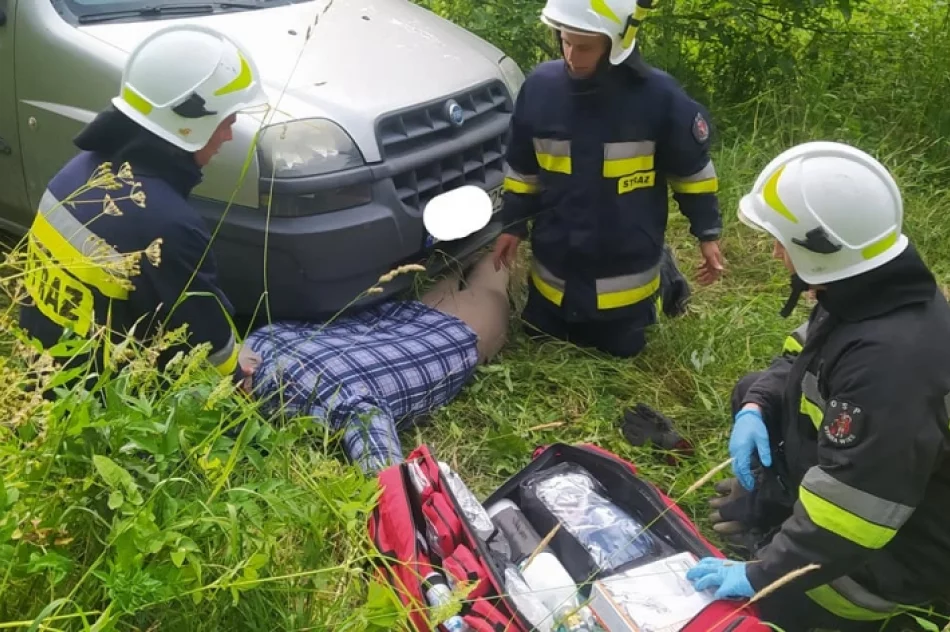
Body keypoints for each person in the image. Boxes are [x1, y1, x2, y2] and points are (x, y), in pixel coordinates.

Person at [685, 141, 950, 631]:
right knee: (754, 388)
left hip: (888, 561)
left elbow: (855, 512)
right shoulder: (867, 288)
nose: (775, 252)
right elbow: (799, 355)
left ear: (821, 248)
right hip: (869, 494)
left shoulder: (893, 366)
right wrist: (757, 405)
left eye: (781, 241)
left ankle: (790, 553)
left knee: (766, 611)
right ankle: (776, 511)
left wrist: (762, 575)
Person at [17, 24, 268, 385]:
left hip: (40, 372)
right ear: (187, 124)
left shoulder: (79, 172)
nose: (229, 136)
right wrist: (238, 373)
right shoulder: (167, 226)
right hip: (98, 400)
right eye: (226, 122)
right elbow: (204, 341)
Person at [492, 0, 725, 358]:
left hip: (625, 277)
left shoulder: (658, 97)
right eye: (565, 41)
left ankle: (664, 280)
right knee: (540, 340)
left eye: (585, 47)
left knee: (622, 351)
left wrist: (707, 233)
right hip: (554, 274)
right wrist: (513, 225)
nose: (572, 56)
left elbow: (692, 173)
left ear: (618, 43)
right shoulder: (540, 89)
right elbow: (524, 168)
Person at [241, 251, 510, 473]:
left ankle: (493, 249)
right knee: (460, 268)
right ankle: (482, 249)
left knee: (490, 287)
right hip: (400, 318)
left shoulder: (314, 395)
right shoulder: (259, 340)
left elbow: (385, 471)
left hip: (440, 335)